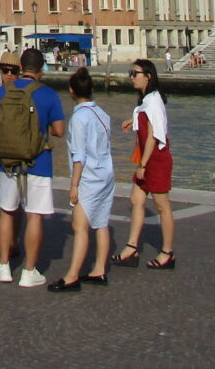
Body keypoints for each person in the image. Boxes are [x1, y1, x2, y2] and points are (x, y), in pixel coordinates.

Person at [0, 47, 66, 288]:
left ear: (20, 68)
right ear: (41, 70)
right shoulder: (49, 95)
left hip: (8, 162)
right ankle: (29, 271)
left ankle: (3, 265)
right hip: (38, 162)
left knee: (7, 212)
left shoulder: (2, 92)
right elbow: (60, 131)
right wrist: (42, 128)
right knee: (34, 216)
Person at [49, 67, 114, 292]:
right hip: (106, 174)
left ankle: (72, 276)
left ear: (71, 91)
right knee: (102, 223)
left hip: (88, 178)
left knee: (80, 225)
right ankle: (99, 269)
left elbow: (79, 156)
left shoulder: (78, 117)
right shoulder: (103, 114)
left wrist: (73, 185)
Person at [115, 58, 176, 269]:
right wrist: (133, 120)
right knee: (136, 200)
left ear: (148, 76)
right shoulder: (147, 100)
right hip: (146, 158)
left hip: (155, 159)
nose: (132, 77)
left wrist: (143, 165)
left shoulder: (154, 100)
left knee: (162, 206)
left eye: (135, 73)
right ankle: (132, 248)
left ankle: (167, 252)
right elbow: (146, 117)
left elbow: (153, 135)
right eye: (131, 73)